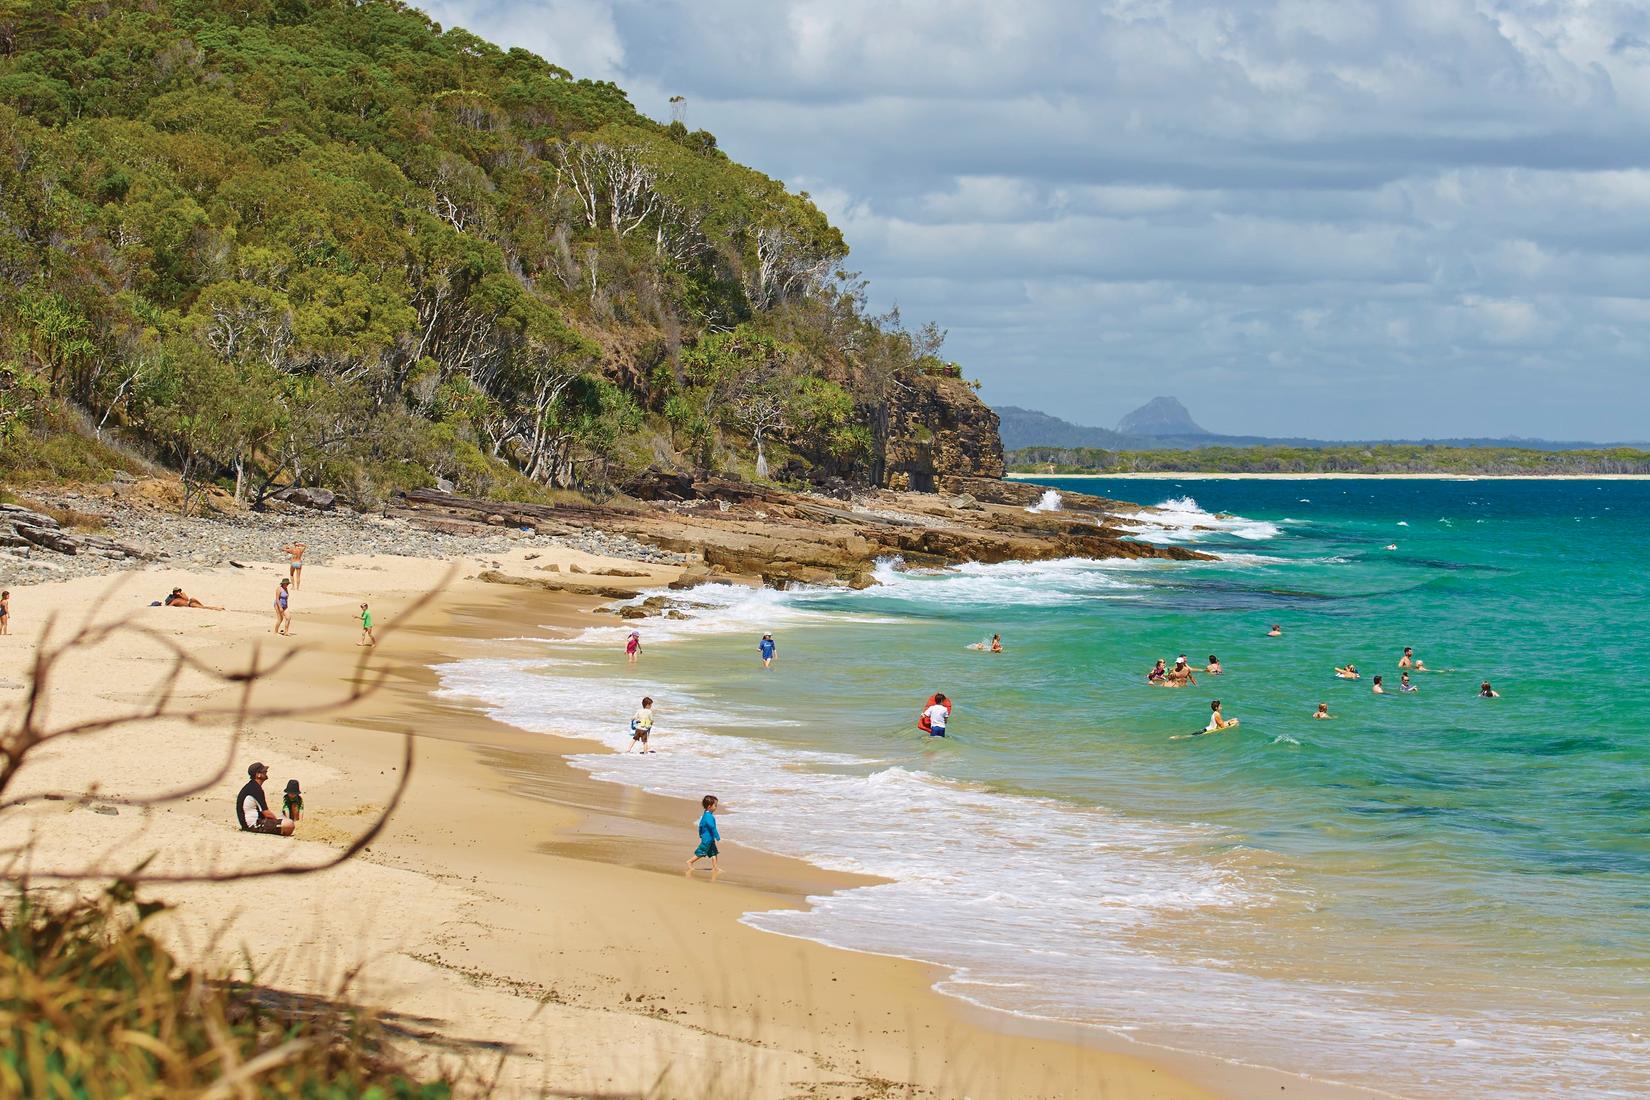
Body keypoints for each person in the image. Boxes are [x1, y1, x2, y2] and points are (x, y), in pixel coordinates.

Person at [235, 762, 294, 836]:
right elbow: (266, 812)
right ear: (258, 775)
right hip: (253, 824)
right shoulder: (255, 789)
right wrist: (276, 821)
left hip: (250, 822)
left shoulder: (252, 786)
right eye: (264, 771)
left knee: (284, 818)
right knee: (289, 824)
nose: (266, 772)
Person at [686, 795, 721, 872]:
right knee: (701, 852)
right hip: (707, 839)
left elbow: (701, 826)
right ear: (709, 806)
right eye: (715, 805)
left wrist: (700, 834)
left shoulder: (705, 814)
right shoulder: (708, 816)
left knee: (713, 852)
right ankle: (690, 861)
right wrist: (717, 836)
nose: (716, 807)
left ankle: (715, 867)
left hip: (710, 838)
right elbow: (712, 827)